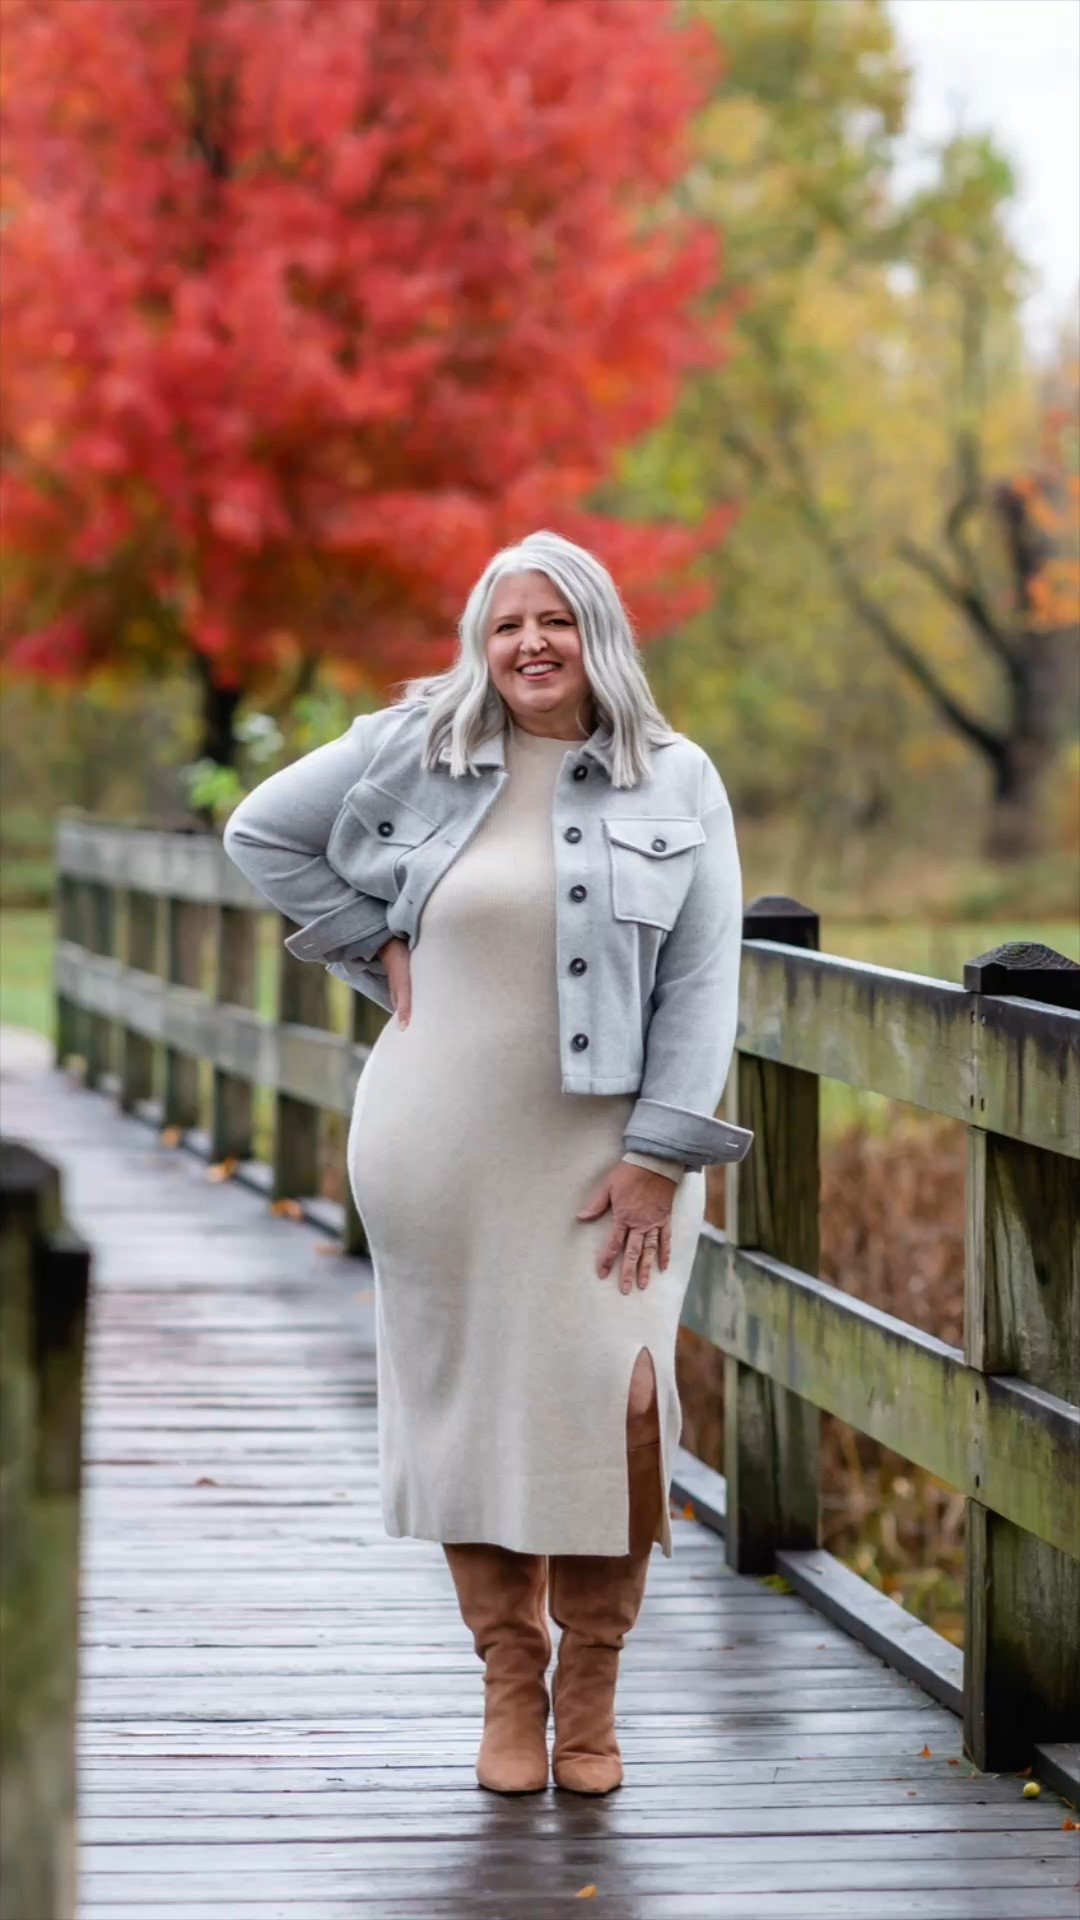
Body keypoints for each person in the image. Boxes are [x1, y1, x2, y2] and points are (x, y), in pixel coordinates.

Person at [222, 528, 751, 1797]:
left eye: (554, 620)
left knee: (619, 1409)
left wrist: (659, 1156)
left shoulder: (678, 780)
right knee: (468, 1414)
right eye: (508, 623)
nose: (531, 644)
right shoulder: (414, 747)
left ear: (598, 633)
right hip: (438, 1146)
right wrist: (367, 939)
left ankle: (592, 1697)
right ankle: (511, 1684)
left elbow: (703, 982)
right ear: (482, 642)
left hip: (609, 1154)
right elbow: (260, 832)